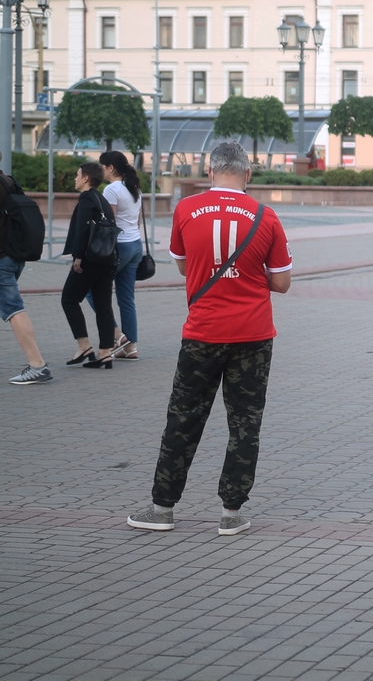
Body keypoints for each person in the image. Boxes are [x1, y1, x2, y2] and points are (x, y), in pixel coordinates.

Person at [127, 141, 292, 536]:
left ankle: (162, 508)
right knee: (245, 423)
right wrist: (251, 276)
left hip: (202, 333)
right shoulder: (266, 216)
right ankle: (231, 513)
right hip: (253, 335)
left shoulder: (186, 209)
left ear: (211, 171)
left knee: (183, 419)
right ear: (247, 174)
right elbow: (282, 282)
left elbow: (185, 267)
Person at [61, 163, 118, 369]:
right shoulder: (101, 198)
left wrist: (78, 257)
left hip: (90, 260)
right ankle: (105, 352)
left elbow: (83, 229)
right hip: (108, 259)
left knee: (69, 299)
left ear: (86, 178)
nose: (75, 179)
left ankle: (84, 346)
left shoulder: (86, 198)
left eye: (77, 175)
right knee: (103, 305)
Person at [1, 171, 52, 385]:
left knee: (13, 308)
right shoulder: (9, 181)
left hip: (2, 258)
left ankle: (37, 365)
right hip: (13, 255)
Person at [97, 151, 144, 361]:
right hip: (135, 245)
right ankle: (131, 347)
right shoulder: (134, 188)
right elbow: (138, 221)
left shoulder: (112, 190)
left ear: (110, 168)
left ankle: (118, 335)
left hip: (120, 246)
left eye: (102, 166)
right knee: (127, 298)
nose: (100, 170)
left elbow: (110, 223)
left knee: (92, 289)